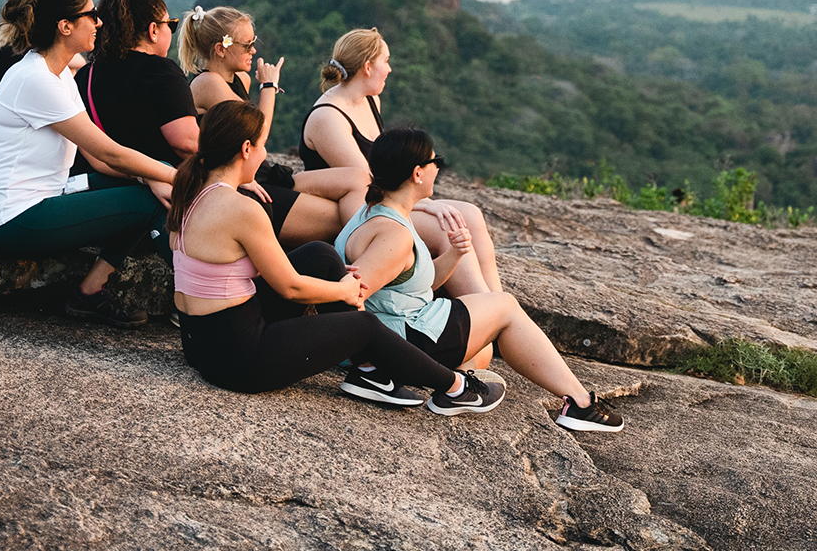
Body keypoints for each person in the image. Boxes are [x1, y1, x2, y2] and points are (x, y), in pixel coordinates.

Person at [170, 99, 505, 414]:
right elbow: (291, 288)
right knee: (364, 326)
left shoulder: (191, 191)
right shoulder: (242, 208)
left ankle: (369, 372)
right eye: (261, 145)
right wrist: (345, 291)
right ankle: (456, 387)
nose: (264, 154)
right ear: (246, 149)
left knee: (321, 255)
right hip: (239, 359)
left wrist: (339, 280)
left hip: (199, 341)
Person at [335, 129, 624, 430]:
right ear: (417, 173)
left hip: (405, 326)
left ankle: (459, 385)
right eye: (437, 162)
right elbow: (351, 296)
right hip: (405, 338)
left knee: (484, 347)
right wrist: (369, 367)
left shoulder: (374, 213)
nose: (439, 168)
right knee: (505, 307)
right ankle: (580, 404)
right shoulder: (393, 233)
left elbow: (405, 286)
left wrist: (454, 254)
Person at [0, 0, 176, 329]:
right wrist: (179, 178)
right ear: (65, 26)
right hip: (13, 218)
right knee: (151, 201)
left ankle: (90, 291)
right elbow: (109, 153)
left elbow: (96, 158)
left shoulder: (58, 74)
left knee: (152, 185)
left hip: (44, 199)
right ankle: (201, 302)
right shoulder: (36, 79)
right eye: (91, 15)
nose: (99, 22)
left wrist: (152, 175)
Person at [300, 27, 502, 303]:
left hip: (389, 201)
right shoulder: (328, 118)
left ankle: (498, 301)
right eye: (386, 60)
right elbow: (373, 181)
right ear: (368, 67)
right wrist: (428, 204)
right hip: (365, 212)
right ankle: (485, 310)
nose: (390, 69)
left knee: (471, 215)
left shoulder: (370, 100)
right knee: (449, 226)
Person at [177, 5, 367, 247]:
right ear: (220, 49)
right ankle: (362, 262)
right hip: (244, 184)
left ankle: (364, 251)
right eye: (247, 45)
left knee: (359, 179)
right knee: (338, 217)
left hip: (262, 172)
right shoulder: (207, 84)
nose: (253, 50)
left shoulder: (238, 80)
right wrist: (268, 87)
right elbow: (258, 134)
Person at [74, 0, 198, 170]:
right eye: (170, 25)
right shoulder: (161, 72)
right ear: (153, 30)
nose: (171, 32)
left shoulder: (85, 75)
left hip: (103, 183)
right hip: (155, 185)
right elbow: (187, 144)